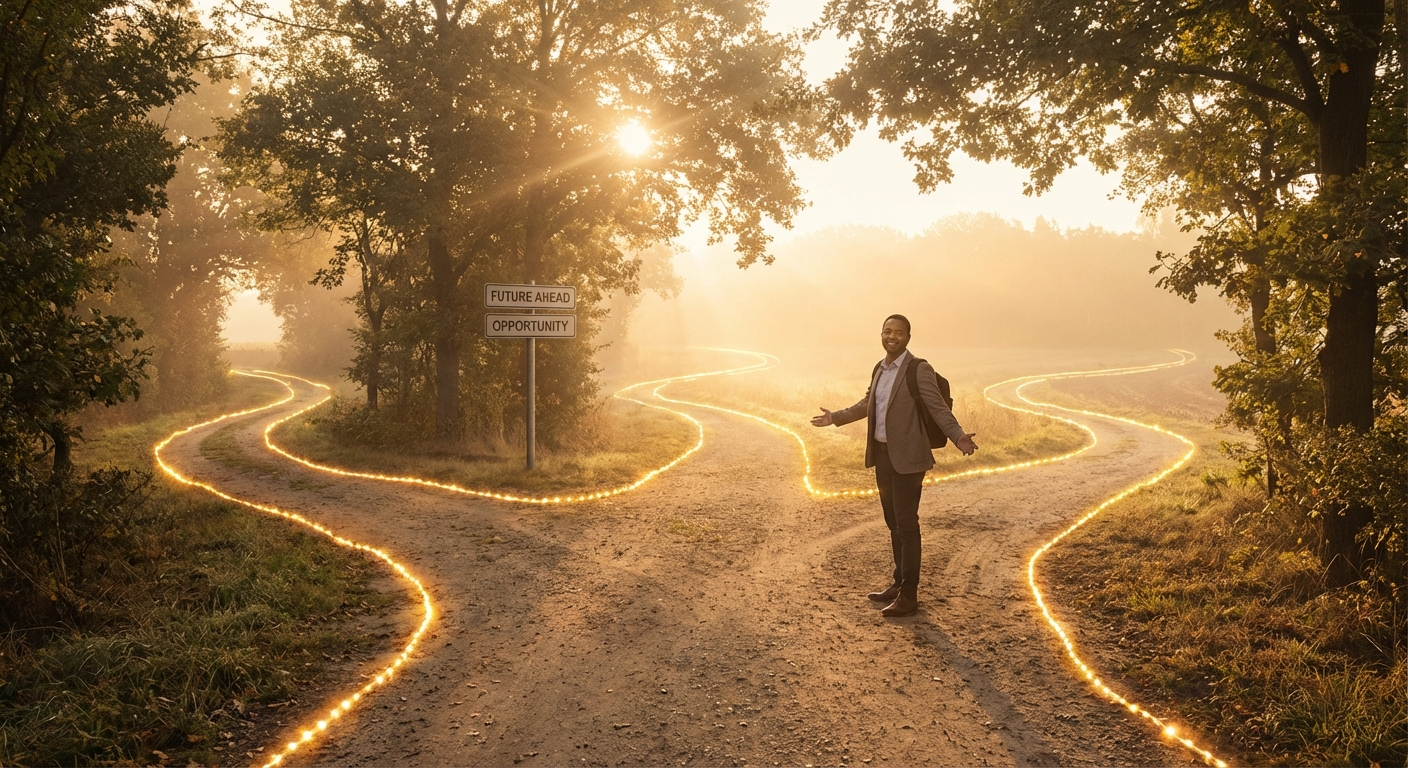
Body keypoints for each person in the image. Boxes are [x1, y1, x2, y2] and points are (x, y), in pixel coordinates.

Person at [810, 314, 978, 617]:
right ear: (881, 335)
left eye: (898, 332)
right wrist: (835, 417)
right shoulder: (880, 368)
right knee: (893, 523)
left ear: (908, 338)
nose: (892, 336)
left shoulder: (919, 369)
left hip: (909, 458)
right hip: (883, 456)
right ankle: (898, 582)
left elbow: (937, 407)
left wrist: (959, 437)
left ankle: (909, 595)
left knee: (906, 524)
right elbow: (867, 404)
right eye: (887, 331)